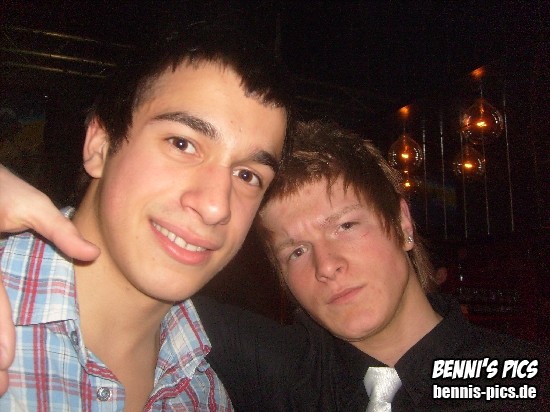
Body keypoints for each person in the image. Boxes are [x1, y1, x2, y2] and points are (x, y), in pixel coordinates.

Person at [1, 122, 547, 411]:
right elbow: (130, 274)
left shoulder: (518, 380)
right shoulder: (277, 370)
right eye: (296, 251)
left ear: (402, 224)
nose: (327, 265)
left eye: (345, 225)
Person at [0, 22, 291, 410]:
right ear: (100, 145)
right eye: (182, 143)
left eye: (247, 176)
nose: (216, 206)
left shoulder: (204, 396)